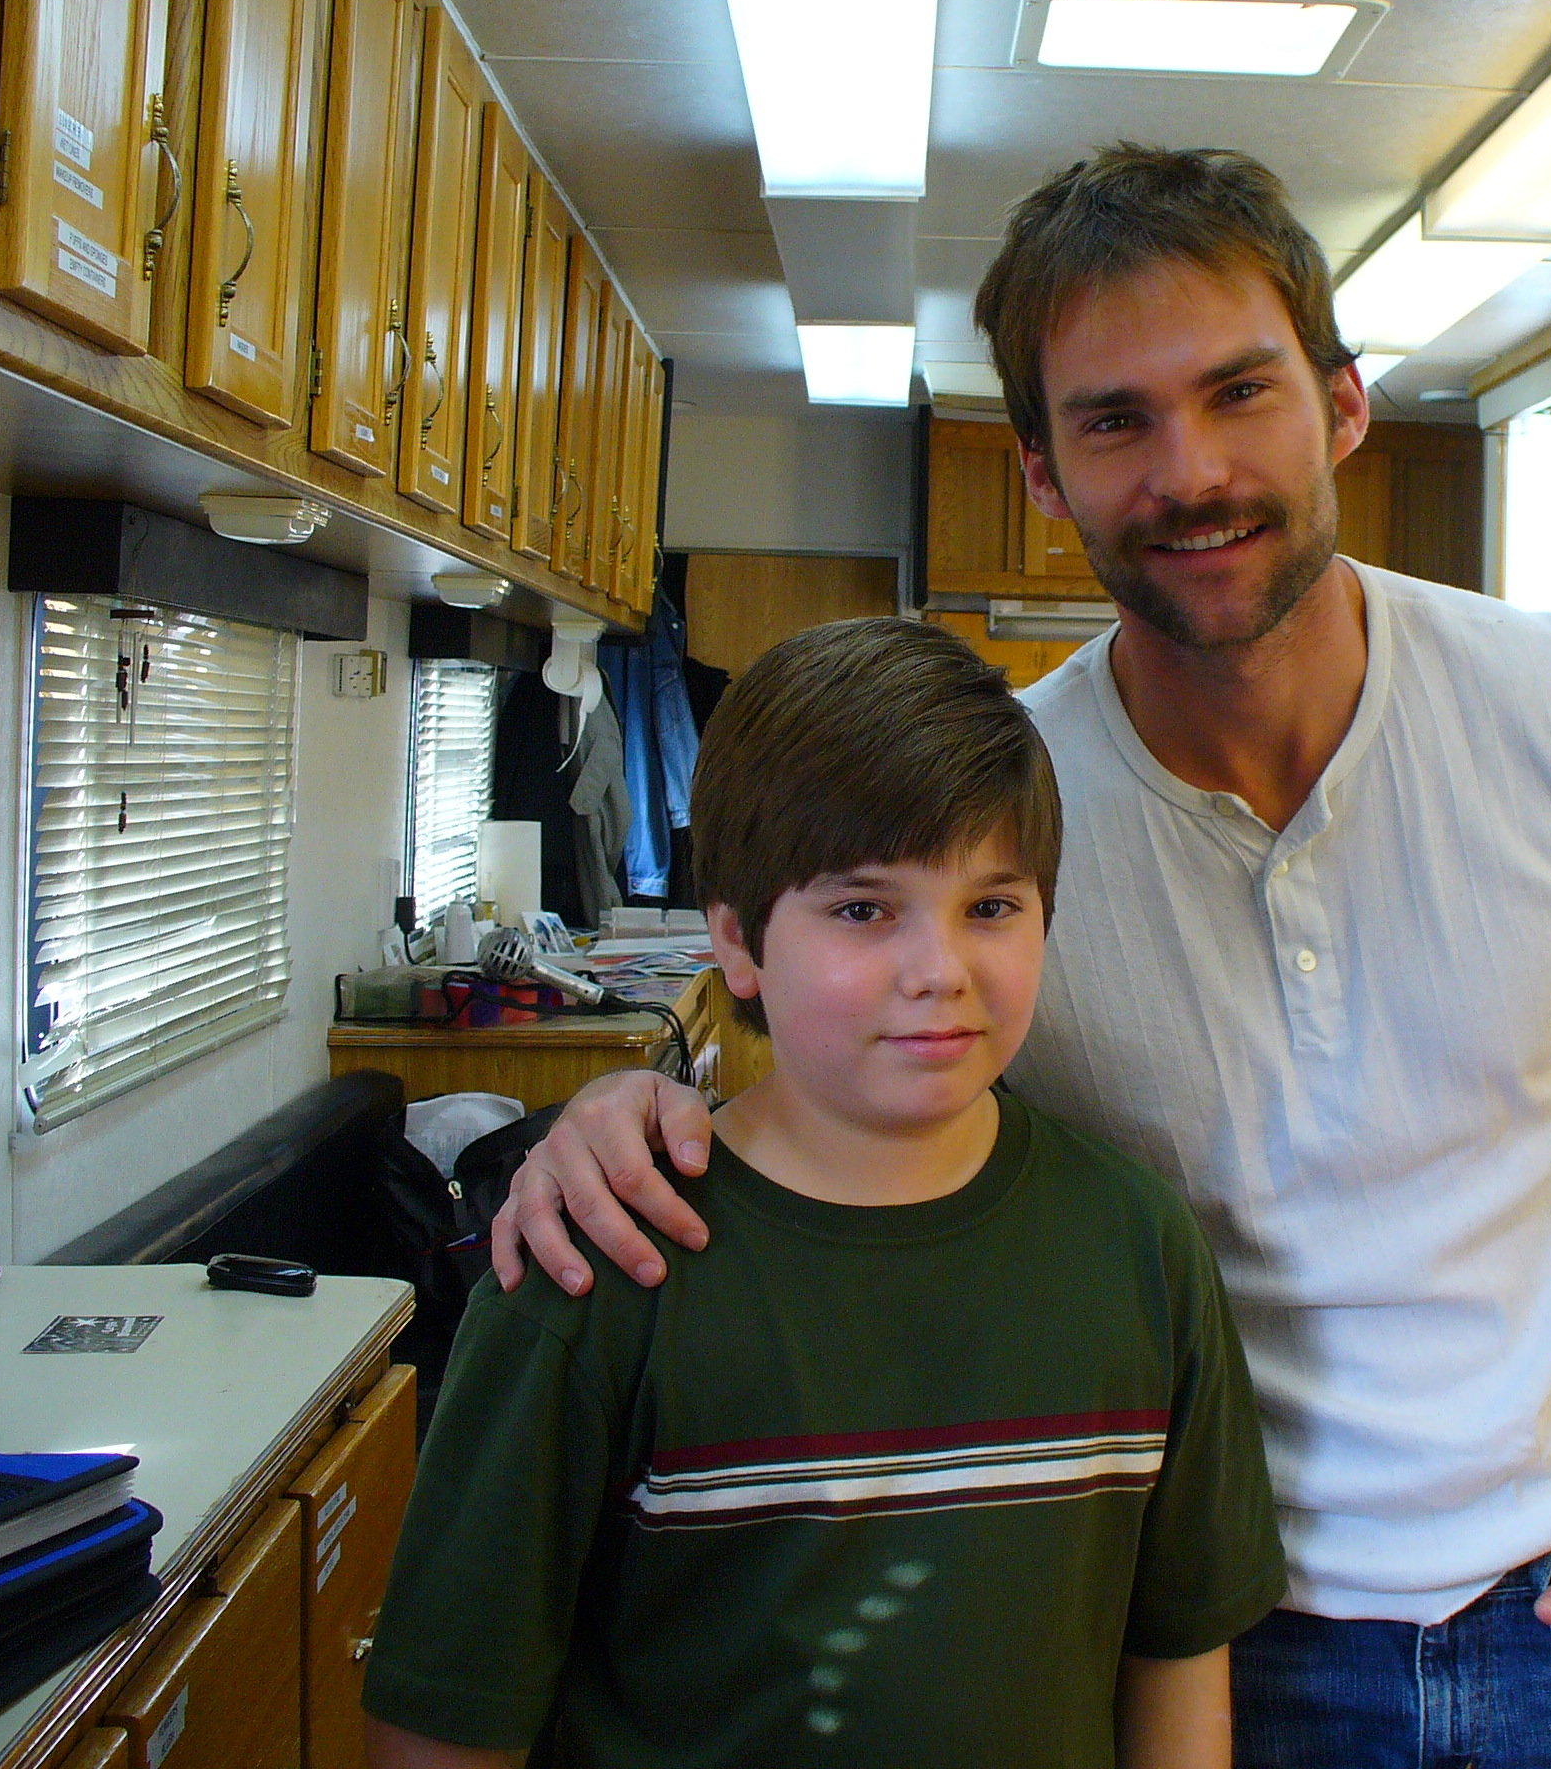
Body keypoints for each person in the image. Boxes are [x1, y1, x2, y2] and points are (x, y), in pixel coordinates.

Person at [498, 145, 1551, 1769]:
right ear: (1044, 477)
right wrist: (626, 1109)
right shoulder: (1003, 826)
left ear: (1342, 407)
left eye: (1239, 392)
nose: (1189, 470)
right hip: (1215, 1642)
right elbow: (806, 1082)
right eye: (1115, 421)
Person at [364, 616, 1285, 1769]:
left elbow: (1178, 1659)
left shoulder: (1141, 1248)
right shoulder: (593, 1264)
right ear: (739, 944)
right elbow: (445, 1722)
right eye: (862, 910)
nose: (939, 968)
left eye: (990, 906)